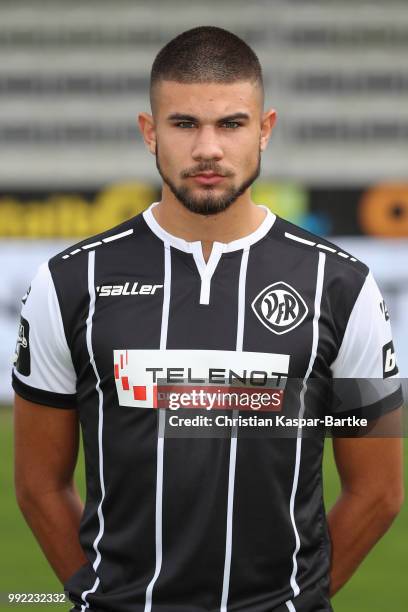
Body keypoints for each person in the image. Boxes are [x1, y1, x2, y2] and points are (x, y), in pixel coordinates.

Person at [13, 26, 403, 612]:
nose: (208, 150)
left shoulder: (344, 286)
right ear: (150, 132)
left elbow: (379, 491)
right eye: (184, 123)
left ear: (265, 129)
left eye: (232, 124)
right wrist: (107, 599)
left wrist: (290, 603)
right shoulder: (68, 282)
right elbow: (38, 486)